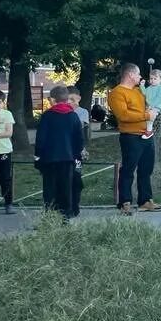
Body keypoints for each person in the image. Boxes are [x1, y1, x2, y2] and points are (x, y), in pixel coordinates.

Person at [108, 62, 161, 215]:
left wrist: (157, 84)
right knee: (128, 170)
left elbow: (154, 95)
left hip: (147, 135)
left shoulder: (139, 91)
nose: (140, 77)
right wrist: (146, 115)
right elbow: (123, 115)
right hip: (131, 136)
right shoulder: (117, 93)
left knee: (146, 169)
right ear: (131, 75)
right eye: (138, 74)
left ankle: (145, 201)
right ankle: (124, 203)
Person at [34, 85, 83, 220]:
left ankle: (50, 213)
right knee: (65, 186)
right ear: (66, 99)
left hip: (49, 158)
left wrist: (37, 156)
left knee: (49, 187)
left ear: (52, 99)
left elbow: (41, 138)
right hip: (68, 158)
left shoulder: (47, 116)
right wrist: (76, 154)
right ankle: (65, 214)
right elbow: (79, 139)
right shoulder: (73, 116)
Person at [67, 86, 90, 218]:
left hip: (76, 150)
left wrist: (83, 149)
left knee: (76, 178)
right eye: (68, 99)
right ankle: (66, 206)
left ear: (78, 98)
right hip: (64, 151)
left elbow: (78, 127)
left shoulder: (82, 112)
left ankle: (75, 206)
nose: (70, 102)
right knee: (65, 179)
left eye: (73, 99)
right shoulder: (61, 112)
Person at [140, 68, 161, 139]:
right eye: (151, 78)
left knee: (150, 118)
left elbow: (159, 98)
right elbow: (144, 93)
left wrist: (151, 106)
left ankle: (149, 132)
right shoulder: (149, 88)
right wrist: (142, 85)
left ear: (160, 80)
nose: (152, 80)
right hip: (148, 107)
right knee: (144, 117)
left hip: (155, 107)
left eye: (155, 79)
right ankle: (147, 130)